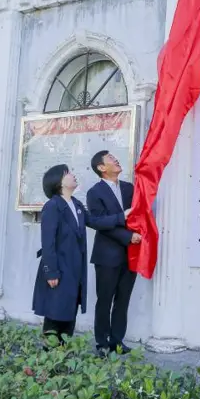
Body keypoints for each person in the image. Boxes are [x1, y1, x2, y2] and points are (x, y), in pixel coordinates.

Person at [32, 163, 131, 347]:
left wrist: (121, 217)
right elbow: (48, 242)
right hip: (59, 269)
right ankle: (49, 358)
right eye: (68, 173)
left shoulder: (76, 204)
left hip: (74, 269)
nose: (73, 175)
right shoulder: (53, 206)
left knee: (69, 311)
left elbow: (94, 221)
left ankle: (64, 354)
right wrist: (51, 272)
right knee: (55, 312)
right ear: (58, 182)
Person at [86, 151, 141, 355]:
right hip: (107, 255)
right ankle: (102, 342)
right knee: (105, 300)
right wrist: (127, 234)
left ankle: (117, 341)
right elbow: (98, 223)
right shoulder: (95, 192)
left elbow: (139, 214)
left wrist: (136, 235)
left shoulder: (129, 188)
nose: (116, 160)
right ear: (101, 168)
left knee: (123, 299)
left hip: (131, 254)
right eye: (111, 159)